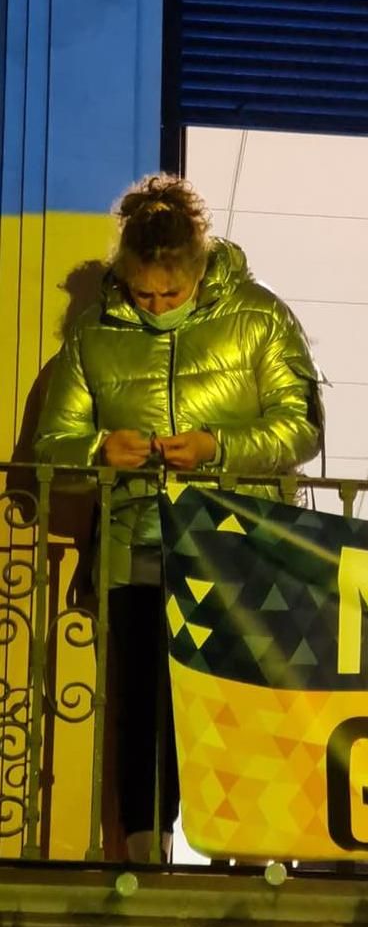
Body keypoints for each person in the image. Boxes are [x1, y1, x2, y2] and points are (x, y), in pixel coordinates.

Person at [34, 174, 323, 862]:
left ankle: (249, 853)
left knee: (239, 700)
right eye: (144, 294)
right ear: (125, 276)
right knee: (141, 709)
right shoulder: (92, 339)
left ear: (199, 270)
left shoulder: (259, 318)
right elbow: (49, 450)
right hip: (135, 548)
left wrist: (218, 449)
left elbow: (302, 426)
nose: (158, 304)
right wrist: (100, 450)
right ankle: (144, 851)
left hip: (239, 547)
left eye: (172, 293)